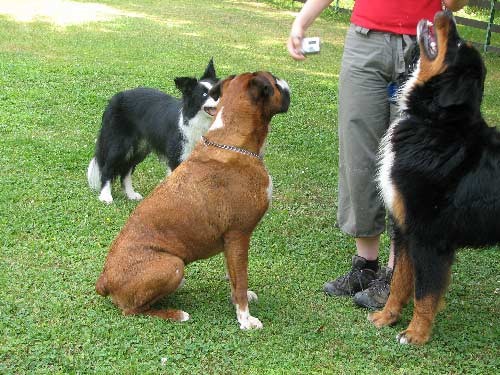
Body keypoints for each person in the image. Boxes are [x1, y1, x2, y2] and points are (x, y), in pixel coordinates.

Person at [287, 0, 468, 309]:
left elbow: (454, 3)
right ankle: (365, 265)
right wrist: (301, 22)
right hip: (365, 42)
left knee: (411, 162)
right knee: (357, 150)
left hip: (423, 43)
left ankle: (397, 274)